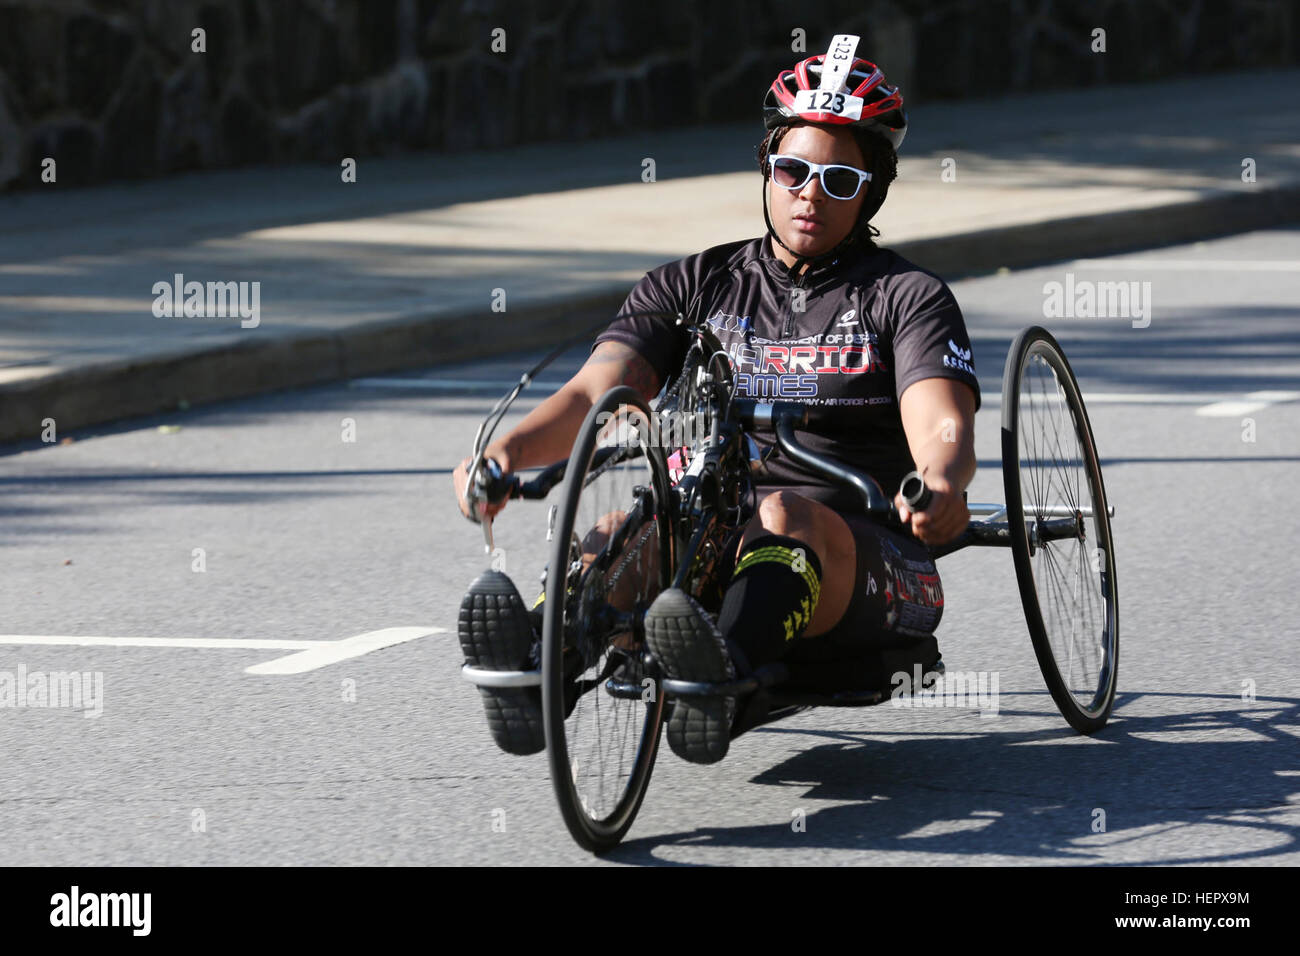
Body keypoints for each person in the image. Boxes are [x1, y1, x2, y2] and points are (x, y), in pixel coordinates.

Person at [453, 35, 979, 765]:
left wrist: (943, 482)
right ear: (767, 165)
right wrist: (502, 456)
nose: (809, 193)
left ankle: (718, 680)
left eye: (839, 181)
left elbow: (941, 417)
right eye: (794, 170)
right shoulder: (694, 284)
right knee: (621, 533)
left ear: (872, 191)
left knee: (783, 511)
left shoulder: (906, 297)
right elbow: (596, 393)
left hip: (872, 567)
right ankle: (537, 667)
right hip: (711, 538)